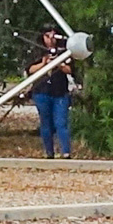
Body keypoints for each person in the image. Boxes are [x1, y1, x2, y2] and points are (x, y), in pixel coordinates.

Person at [29, 29, 78, 158]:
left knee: (61, 122)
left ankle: (66, 152)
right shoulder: (37, 51)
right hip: (42, 91)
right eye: (48, 36)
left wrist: (59, 64)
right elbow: (30, 69)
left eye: (53, 36)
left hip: (60, 92)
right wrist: (44, 63)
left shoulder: (64, 51)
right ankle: (49, 153)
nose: (51, 39)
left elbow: (70, 70)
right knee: (46, 123)